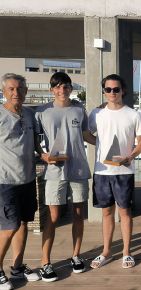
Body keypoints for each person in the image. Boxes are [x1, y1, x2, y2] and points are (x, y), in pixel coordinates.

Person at [35, 72, 95, 281]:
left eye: (66, 86)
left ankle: (76, 256)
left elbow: (87, 135)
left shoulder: (79, 109)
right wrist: (42, 155)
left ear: (71, 88)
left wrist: (108, 145)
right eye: (58, 87)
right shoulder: (42, 112)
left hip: (78, 169)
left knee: (79, 214)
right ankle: (45, 262)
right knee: (52, 217)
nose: (62, 90)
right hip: (54, 171)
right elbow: (33, 138)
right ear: (52, 89)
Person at [88, 74, 141, 269]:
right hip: (102, 171)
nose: (112, 93)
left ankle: (126, 252)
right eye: (108, 89)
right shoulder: (96, 114)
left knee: (125, 212)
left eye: (116, 89)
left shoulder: (134, 114)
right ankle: (106, 251)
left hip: (124, 171)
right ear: (104, 91)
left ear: (123, 91)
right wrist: (100, 145)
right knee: (106, 212)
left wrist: (130, 156)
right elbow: (87, 133)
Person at [0, 73, 40, 290]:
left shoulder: (29, 114)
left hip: (27, 178)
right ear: (4, 91)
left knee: (24, 222)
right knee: (9, 226)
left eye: (20, 89)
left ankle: (16, 268)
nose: (16, 93)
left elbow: (35, 144)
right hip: (4, 181)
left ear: (26, 91)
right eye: (12, 89)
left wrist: (43, 154)